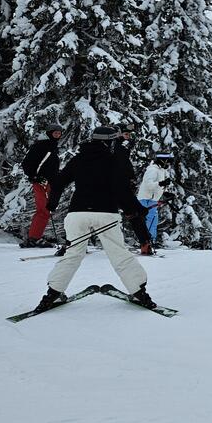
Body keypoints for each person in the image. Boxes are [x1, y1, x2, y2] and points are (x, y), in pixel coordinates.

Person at [32, 126, 157, 313]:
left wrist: (52, 204)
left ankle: (52, 294)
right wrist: (138, 210)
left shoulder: (79, 159)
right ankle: (140, 293)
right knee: (119, 254)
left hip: (77, 214)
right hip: (106, 214)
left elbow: (58, 182)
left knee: (73, 254)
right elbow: (122, 190)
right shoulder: (112, 160)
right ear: (108, 141)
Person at [19, 124, 64, 247]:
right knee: (43, 210)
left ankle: (34, 237)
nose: (57, 135)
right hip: (41, 182)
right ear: (49, 133)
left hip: (49, 182)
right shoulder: (42, 145)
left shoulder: (52, 146)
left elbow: (50, 167)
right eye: (55, 133)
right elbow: (26, 163)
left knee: (45, 210)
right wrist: (34, 176)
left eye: (59, 133)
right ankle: (33, 238)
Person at [135, 153, 174, 255]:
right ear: (162, 161)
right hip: (145, 199)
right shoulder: (152, 170)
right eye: (168, 162)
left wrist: (164, 192)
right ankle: (145, 244)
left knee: (153, 221)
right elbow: (149, 184)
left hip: (152, 199)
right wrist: (161, 183)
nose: (168, 165)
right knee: (146, 221)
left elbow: (156, 186)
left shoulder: (161, 171)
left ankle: (150, 243)